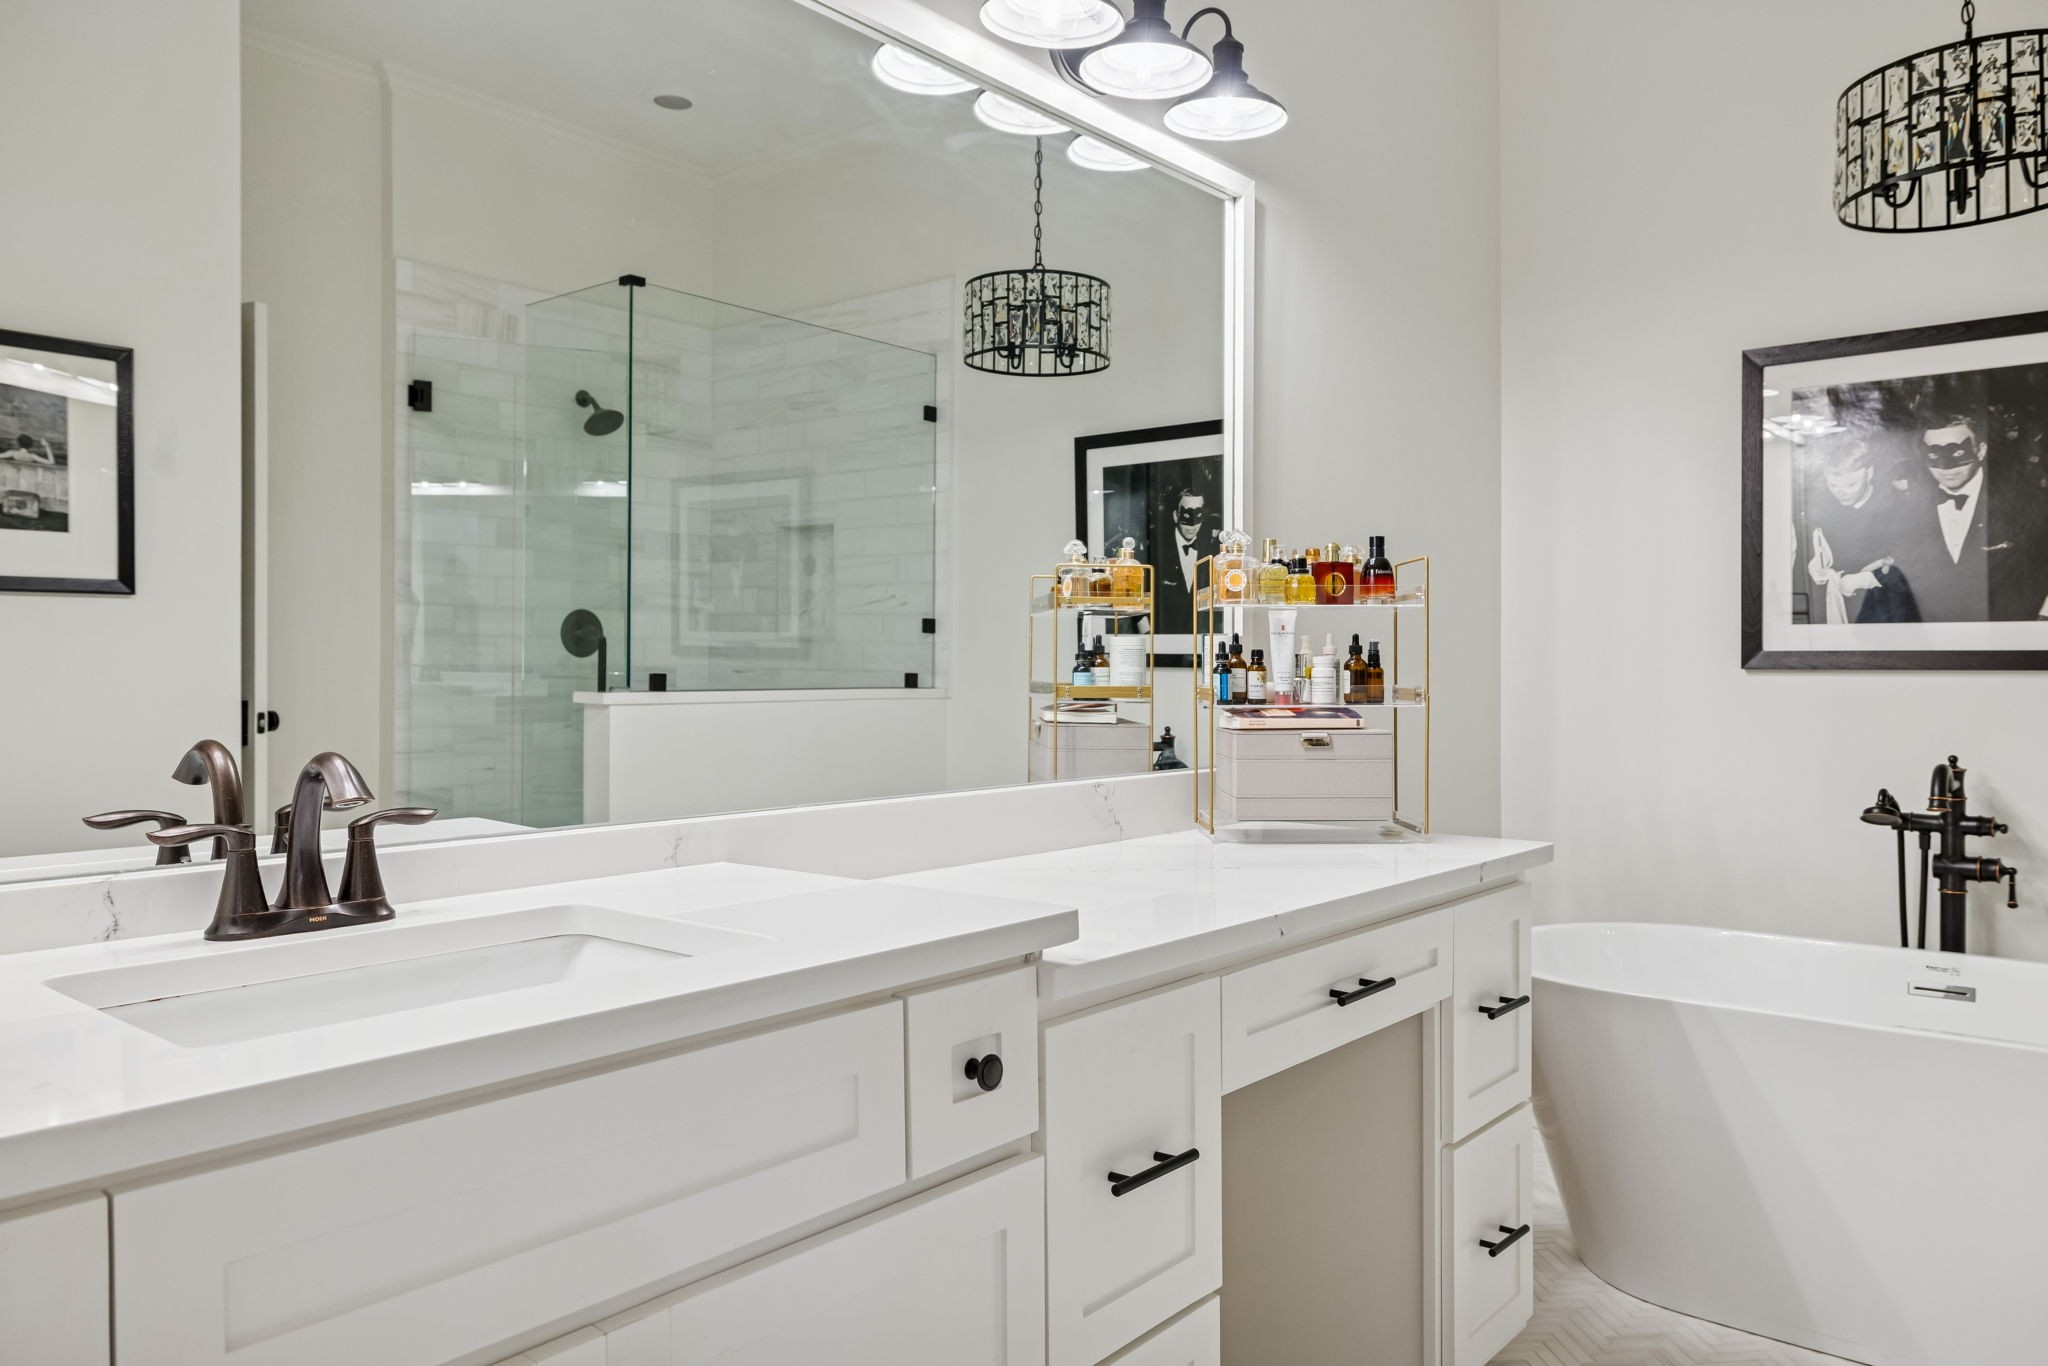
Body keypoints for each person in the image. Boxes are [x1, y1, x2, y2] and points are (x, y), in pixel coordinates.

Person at [1891, 406, 2048, 622]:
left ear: (1981, 450)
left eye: (1957, 453)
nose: (1946, 467)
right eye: (1935, 455)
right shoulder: (1910, 508)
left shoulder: (2025, 501)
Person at [1800, 427, 1920, 623]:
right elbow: (1821, 548)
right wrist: (1814, 565)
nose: (1841, 493)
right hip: (1836, 609)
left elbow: (1913, 562)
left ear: (1869, 473)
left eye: (1851, 485)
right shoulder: (1822, 507)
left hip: (1884, 611)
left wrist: (1866, 579)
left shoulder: (1898, 506)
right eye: (1833, 485)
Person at [1151, 486, 1218, 635]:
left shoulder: (1212, 550)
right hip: (1162, 641)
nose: (1192, 526)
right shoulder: (1156, 549)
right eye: (1186, 515)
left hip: (1202, 642)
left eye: (1197, 516)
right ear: (1176, 516)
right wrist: (1146, 633)